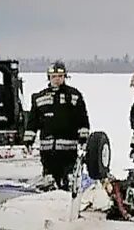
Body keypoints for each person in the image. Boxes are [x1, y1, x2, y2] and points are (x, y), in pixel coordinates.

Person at [23, 60, 90, 190]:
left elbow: (83, 120)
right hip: (47, 151)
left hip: (68, 150)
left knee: (69, 183)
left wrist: (83, 139)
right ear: (49, 78)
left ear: (65, 77)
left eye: (60, 76)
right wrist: (28, 141)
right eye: (54, 77)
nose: (57, 79)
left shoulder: (74, 96)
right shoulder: (39, 97)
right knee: (49, 183)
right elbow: (32, 122)